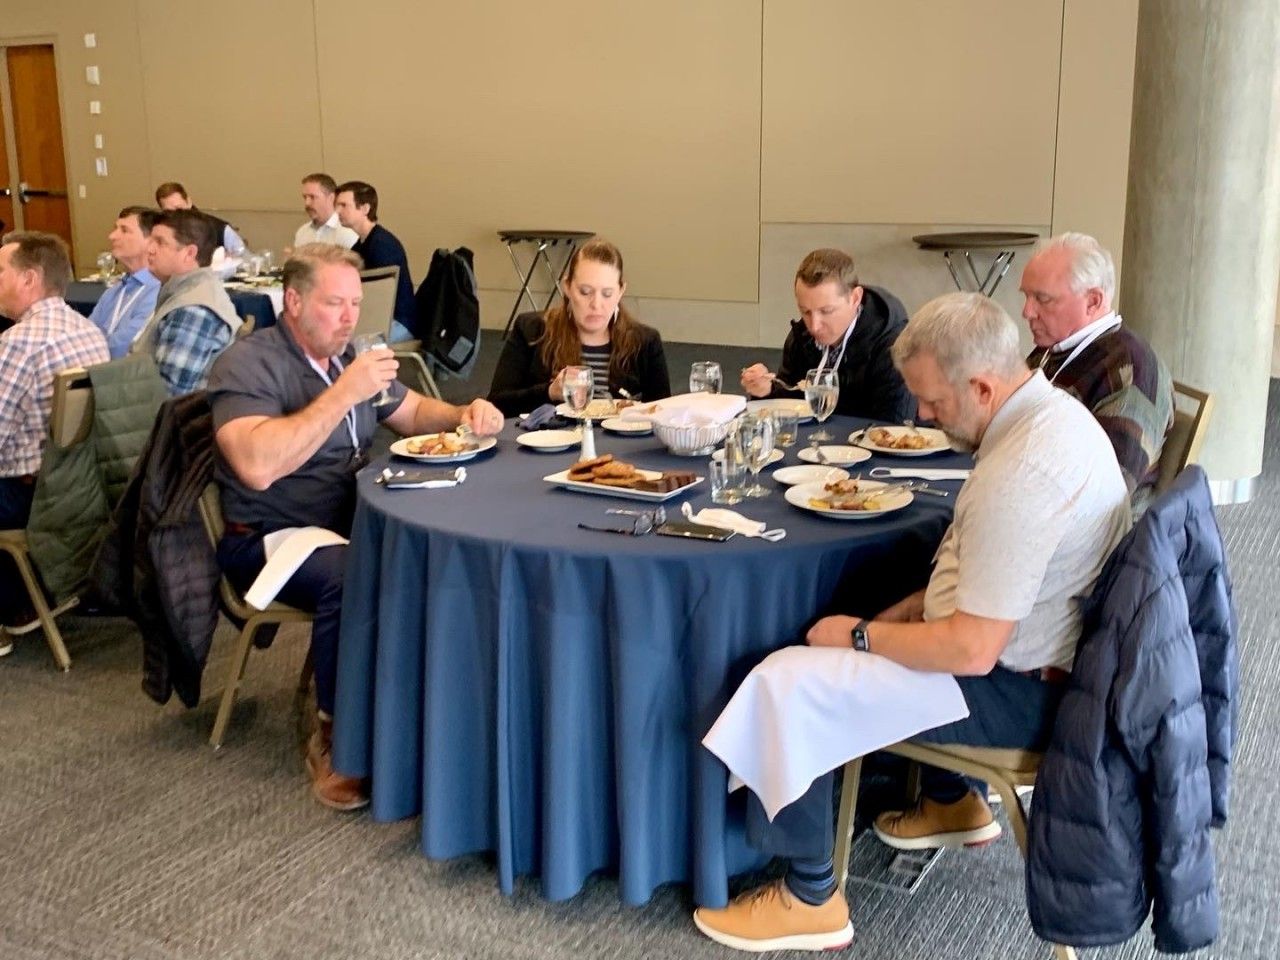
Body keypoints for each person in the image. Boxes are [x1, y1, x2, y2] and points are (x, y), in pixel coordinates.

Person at [694, 292, 1130, 953]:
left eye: (933, 402)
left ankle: (810, 896)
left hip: (1024, 693)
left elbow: (972, 647)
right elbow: (977, 581)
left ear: (982, 385)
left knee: (786, 678)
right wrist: (894, 614)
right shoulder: (1048, 417)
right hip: (1051, 658)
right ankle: (953, 800)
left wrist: (861, 636)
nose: (922, 415)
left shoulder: (1019, 473)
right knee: (863, 602)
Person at [207, 243, 504, 809]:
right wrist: (344, 392)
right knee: (355, 574)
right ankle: (337, 735)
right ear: (292, 301)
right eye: (333, 304)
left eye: (354, 304)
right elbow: (256, 465)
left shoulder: (346, 354)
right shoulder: (247, 364)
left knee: (446, 543)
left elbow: (413, 412)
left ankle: (436, 714)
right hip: (273, 537)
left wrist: (463, 413)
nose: (348, 317)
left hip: (352, 516)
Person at [0, 232, 109, 649]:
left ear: (29, 279)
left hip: (28, 492)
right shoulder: (87, 329)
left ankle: (10, 608)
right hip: (76, 487)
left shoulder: (18, 342)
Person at [1021, 232, 1173, 510]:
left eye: (1042, 299)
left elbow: (1110, 488)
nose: (1027, 312)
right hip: (1034, 494)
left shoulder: (1130, 369)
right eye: (1027, 297)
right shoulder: (1053, 347)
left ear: (1092, 301)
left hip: (1096, 540)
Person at [487, 238, 671, 416]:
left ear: (621, 291)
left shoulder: (645, 342)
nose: (596, 304)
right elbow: (496, 405)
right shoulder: (532, 330)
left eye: (607, 294)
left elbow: (663, 413)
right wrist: (549, 392)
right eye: (585, 292)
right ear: (567, 287)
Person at [740, 249, 915, 423]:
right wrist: (767, 391)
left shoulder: (895, 345)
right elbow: (790, 402)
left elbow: (893, 428)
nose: (814, 326)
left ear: (855, 298)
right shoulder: (800, 336)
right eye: (805, 311)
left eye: (826, 311)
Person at [138, 209, 242, 395]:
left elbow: (169, 394)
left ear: (189, 253)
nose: (149, 249)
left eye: (160, 242)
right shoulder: (188, 293)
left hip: (174, 420)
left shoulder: (193, 309)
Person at [335, 180, 415, 340]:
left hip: (396, 322)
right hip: (382, 316)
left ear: (365, 208)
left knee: (335, 337)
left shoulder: (382, 245)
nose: (337, 211)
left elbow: (379, 298)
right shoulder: (364, 242)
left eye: (344, 205)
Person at [86, 206, 162, 357]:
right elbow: (87, 334)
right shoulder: (115, 291)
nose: (112, 236)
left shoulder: (158, 290)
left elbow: (128, 345)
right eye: (115, 229)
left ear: (151, 241)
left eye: (124, 230)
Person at [154, 181, 247, 256]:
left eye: (179, 209)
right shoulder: (156, 235)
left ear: (189, 202)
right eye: (168, 212)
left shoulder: (219, 229)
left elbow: (244, 259)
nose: (175, 216)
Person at [294, 173, 358, 250]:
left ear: (331, 197)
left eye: (312, 197)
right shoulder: (302, 232)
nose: (307, 203)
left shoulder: (347, 233)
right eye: (305, 197)